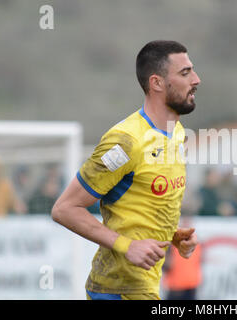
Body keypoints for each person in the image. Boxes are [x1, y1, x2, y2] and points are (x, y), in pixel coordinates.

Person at [51, 40, 200, 300]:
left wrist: (170, 235)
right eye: (185, 73)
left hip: (142, 288)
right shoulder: (125, 141)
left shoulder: (176, 133)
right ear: (156, 83)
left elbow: (135, 205)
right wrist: (127, 246)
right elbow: (64, 209)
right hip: (116, 290)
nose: (196, 80)